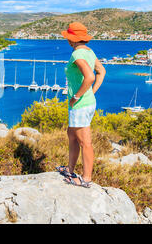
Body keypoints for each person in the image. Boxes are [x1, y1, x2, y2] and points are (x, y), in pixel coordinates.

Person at [56, 22, 106, 188]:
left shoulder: (78, 54)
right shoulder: (89, 51)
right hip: (85, 102)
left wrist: (77, 96)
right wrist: (91, 92)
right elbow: (102, 71)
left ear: (71, 38)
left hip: (80, 105)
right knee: (72, 135)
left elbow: (90, 77)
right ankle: (70, 170)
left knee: (85, 142)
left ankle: (86, 178)